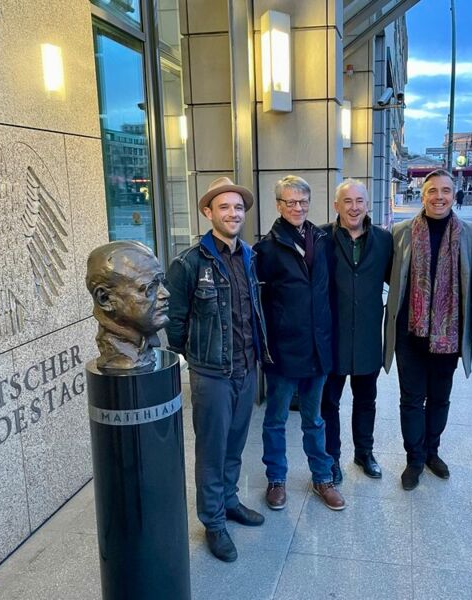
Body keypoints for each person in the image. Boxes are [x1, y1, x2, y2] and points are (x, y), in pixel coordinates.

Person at [166, 177, 269, 562]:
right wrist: (196, 356)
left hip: (246, 367)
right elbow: (174, 322)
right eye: (224, 207)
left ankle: (229, 500)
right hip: (211, 374)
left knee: (236, 444)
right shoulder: (189, 263)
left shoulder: (249, 256)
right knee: (212, 450)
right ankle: (213, 521)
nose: (233, 213)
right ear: (208, 212)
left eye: (238, 207)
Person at [255, 175, 347, 511]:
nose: (297, 207)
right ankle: (276, 479)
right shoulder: (266, 249)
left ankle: (322, 477)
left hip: (318, 348)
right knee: (276, 419)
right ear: (278, 205)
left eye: (303, 202)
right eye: (290, 202)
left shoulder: (322, 240)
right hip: (283, 351)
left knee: (315, 419)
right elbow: (260, 306)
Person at [384, 169, 472, 490]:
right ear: (422, 196)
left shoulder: (470, 233)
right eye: (432, 191)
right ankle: (414, 459)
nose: (439, 197)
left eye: (446, 191)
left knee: (440, 398)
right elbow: (391, 275)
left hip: (448, 335)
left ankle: (432, 452)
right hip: (409, 334)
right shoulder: (401, 232)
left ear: (454, 194)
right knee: (411, 399)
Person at [321, 179, 394, 483]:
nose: (354, 207)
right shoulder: (320, 238)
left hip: (367, 337)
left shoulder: (384, 240)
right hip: (331, 339)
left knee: (366, 401)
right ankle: (331, 458)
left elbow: (397, 281)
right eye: (347, 201)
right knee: (328, 403)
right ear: (336, 205)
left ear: (367, 204)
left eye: (359, 201)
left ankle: (364, 453)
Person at [85, 240, 170, 371]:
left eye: (161, 283)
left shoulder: (144, 340)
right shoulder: (117, 356)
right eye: (150, 287)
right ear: (105, 298)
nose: (165, 294)